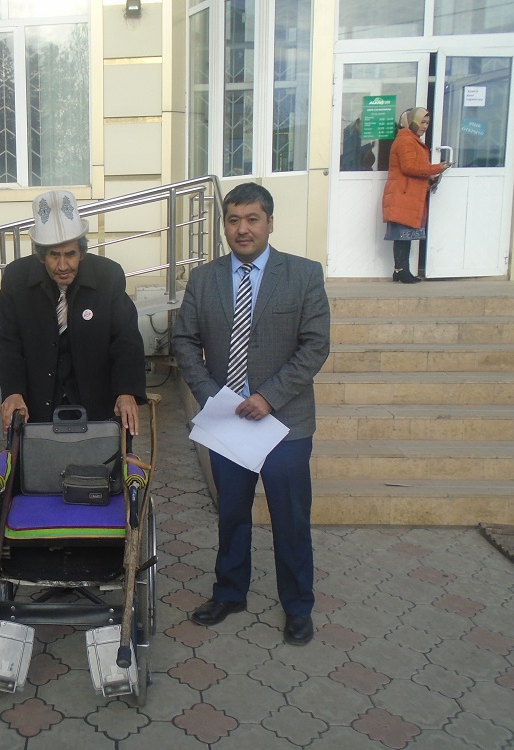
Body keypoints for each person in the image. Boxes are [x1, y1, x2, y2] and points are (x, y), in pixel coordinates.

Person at [172, 182, 330, 645]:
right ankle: (230, 592)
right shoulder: (204, 279)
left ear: (270, 223)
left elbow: (315, 345)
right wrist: (212, 396)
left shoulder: (303, 274)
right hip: (228, 423)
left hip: (284, 424)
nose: (243, 229)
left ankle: (298, 606)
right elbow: (184, 341)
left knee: (290, 519)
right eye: (233, 220)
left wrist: (269, 396)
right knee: (232, 514)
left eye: (252, 219)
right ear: (224, 226)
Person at [0, 189, 147, 433]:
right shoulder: (16, 278)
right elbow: (8, 342)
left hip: (97, 406)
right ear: (41, 256)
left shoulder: (109, 276)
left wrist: (126, 391)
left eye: (71, 254)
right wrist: (13, 391)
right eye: (54, 255)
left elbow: (126, 339)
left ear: (82, 252)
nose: (63, 265)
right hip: (37, 407)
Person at [382, 106, 451, 284]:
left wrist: (430, 175)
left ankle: (402, 270)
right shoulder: (406, 140)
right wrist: (436, 168)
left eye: (427, 123)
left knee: (406, 236)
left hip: (408, 194)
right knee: (402, 236)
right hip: (403, 194)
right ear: (412, 121)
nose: (425, 126)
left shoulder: (411, 139)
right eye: (422, 122)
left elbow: (414, 167)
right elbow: (409, 167)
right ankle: (401, 271)